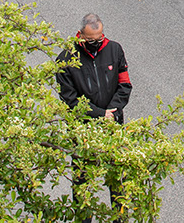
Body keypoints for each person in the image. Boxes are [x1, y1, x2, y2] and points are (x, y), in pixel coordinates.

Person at [56, 14, 133, 216]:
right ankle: (83, 218)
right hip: (83, 130)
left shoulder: (114, 50)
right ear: (80, 35)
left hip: (112, 127)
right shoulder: (66, 59)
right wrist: (100, 114)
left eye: (99, 38)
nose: (96, 43)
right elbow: (70, 100)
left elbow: (124, 85)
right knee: (83, 182)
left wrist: (112, 114)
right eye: (91, 40)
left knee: (117, 179)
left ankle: (119, 218)